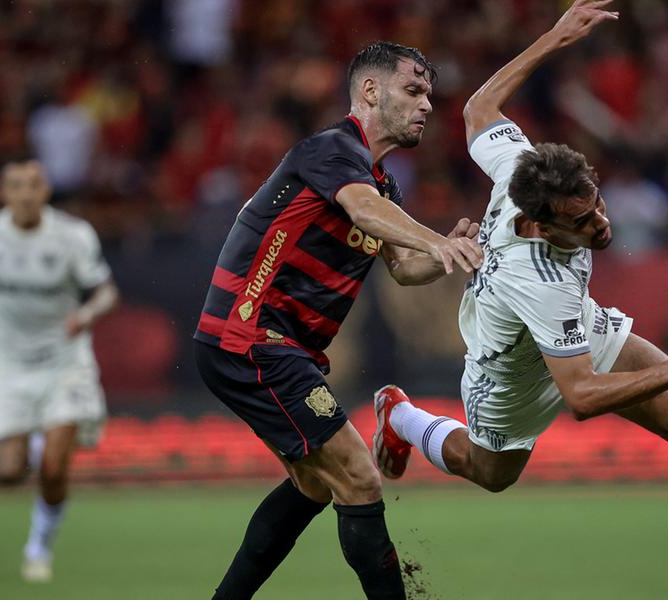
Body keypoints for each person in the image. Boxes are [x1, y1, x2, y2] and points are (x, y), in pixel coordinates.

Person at [371, 2, 668, 598]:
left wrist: (555, 36)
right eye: (582, 220)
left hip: (578, 328)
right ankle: (401, 417)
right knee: (489, 472)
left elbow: (477, 110)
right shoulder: (539, 276)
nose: (601, 223)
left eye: (595, 200)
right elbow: (580, 396)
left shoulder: (525, 168)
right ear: (543, 227)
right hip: (510, 373)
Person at [193, 42, 483, 599]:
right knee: (358, 474)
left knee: (314, 483)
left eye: (430, 95)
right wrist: (438, 240)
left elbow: (402, 268)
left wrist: (458, 252)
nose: (427, 105)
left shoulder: (381, 183)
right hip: (251, 337)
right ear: (371, 91)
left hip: (268, 346)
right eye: (414, 90)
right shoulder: (329, 151)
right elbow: (364, 212)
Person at [0, 159, 119, 583]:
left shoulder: (71, 235)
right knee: (6, 472)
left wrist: (86, 314)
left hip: (64, 360)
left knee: (53, 468)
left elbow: (106, 292)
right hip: (10, 365)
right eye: (16, 186)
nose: (26, 193)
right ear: (2, 193)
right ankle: (33, 443)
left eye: (34, 185)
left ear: (45, 192)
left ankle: (39, 545)